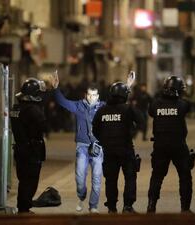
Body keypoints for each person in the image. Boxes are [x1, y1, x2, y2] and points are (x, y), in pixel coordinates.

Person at [51, 71, 136, 213]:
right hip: (82, 147)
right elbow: (63, 102)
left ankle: (93, 206)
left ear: (98, 96)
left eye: (95, 95)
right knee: (80, 177)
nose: (92, 98)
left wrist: (127, 86)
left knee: (97, 178)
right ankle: (81, 194)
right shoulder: (78, 106)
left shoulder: (103, 107)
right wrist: (55, 89)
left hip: (98, 147)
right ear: (86, 95)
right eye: (89, 95)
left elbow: (119, 103)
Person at [92, 82, 143, 213]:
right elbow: (141, 120)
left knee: (110, 179)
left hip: (108, 151)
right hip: (125, 149)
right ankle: (127, 206)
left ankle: (111, 208)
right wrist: (132, 132)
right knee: (130, 177)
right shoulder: (128, 109)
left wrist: (104, 140)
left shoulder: (102, 110)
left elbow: (95, 129)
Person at [147, 76, 193, 213]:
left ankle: (151, 206)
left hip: (160, 146)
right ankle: (185, 209)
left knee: (157, 177)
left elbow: (151, 112)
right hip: (178, 146)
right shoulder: (183, 105)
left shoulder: (155, 104)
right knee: (185, 177)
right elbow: (187, 104)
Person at [10, 78, 47, 213]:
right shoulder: (33, 110)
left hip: (20, 148)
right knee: (30, 180)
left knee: (23, 179)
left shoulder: (16, 108)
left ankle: (23, 206)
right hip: (32, 149)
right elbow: (43, 126)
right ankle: (24, 209)